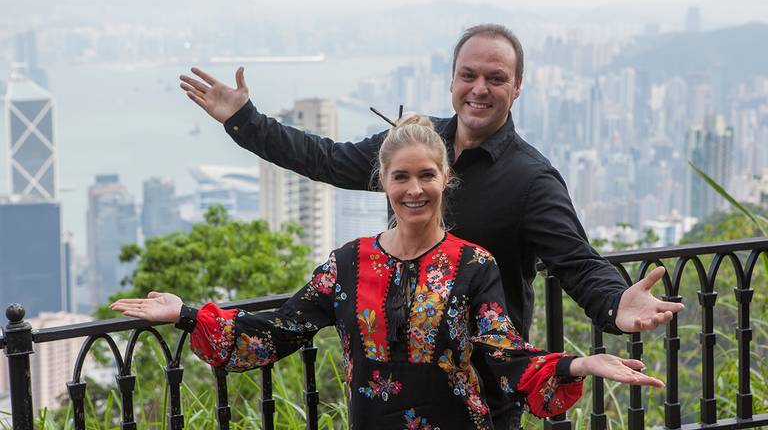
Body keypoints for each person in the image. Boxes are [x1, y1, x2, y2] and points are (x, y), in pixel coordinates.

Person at [112, 116, 665, 430]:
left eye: (427, 175)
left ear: (445, 180)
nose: (415, 189)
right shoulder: (347, 265)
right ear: (383, 182)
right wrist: (185, 314)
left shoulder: (474, 265)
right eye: (401, 177)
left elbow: (502, 353)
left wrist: (579, 363)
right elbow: (272, 336)